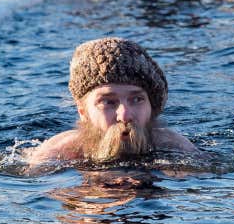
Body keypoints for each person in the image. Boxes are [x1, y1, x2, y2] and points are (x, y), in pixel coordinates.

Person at [26, 37, 198, 166]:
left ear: (152, 107)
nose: (124, 115)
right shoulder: (58, 153)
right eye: (108, 102)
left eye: (137, 99)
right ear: (83, 112)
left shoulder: (176, 148)